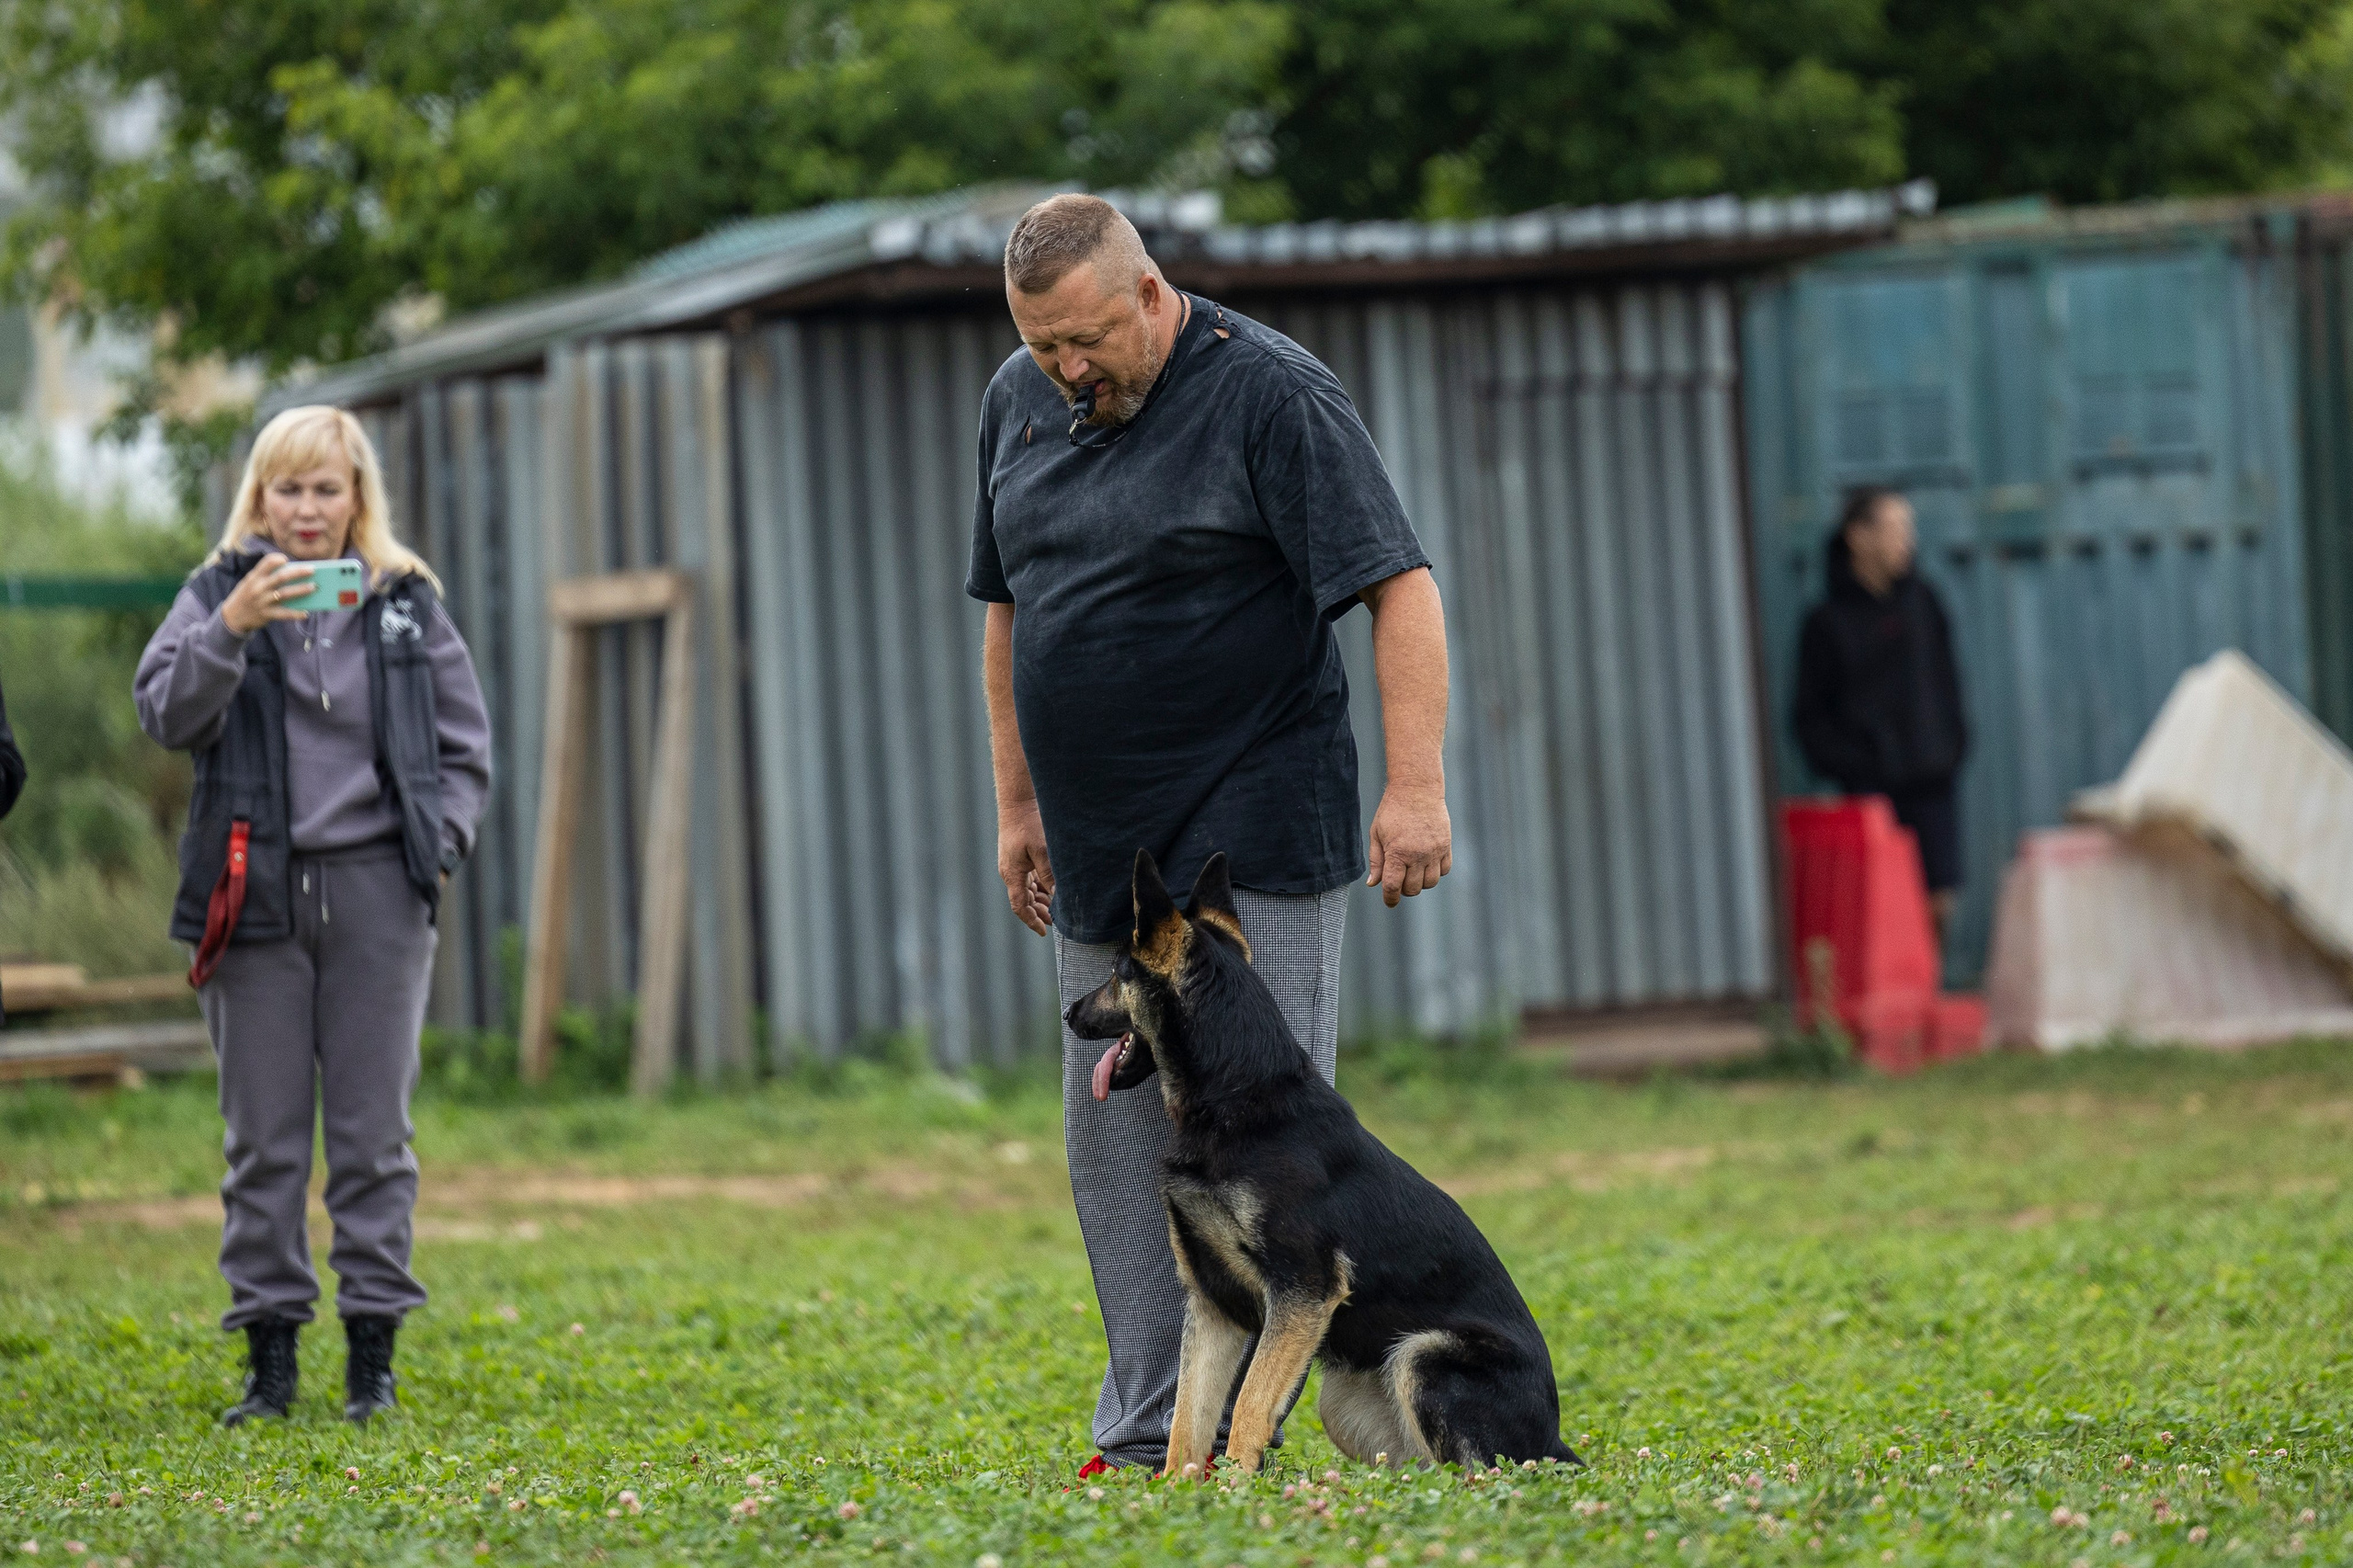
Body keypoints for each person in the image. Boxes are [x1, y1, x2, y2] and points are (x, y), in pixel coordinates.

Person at [968, 194, 1452, 1473]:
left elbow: (1398, 584)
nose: (1066, 372)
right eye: (1039, 343)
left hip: (1255, 825)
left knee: (1265, 1140)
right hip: (1097, 846)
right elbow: (1008, 611)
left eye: (1084, 342)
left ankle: (1252, 1438)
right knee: (1116, 1132)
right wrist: (1018, 803)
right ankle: (1144, 1434)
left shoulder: (1273, 397)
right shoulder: (1014, 400)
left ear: (1148, 293)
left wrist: (1417, 788)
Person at [135, 405, 491, 1426]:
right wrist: (232, 625)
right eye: (287, 489)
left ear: (355, 497)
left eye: (325, 489)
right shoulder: (214, 592)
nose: (305, 509)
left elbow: (466, 745)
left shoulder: (405, 602)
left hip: (380, 896)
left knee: (375, 1136)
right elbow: (164, 712)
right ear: (259, 496)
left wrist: (443, 843)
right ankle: (270, 1361)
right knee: (265, 1140)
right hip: (252, 897)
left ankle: (371, 1360)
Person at [1793, 485, 1969, 936]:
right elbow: (1809, 716)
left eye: (1906, 530)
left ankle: (1926, 991)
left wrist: (1951, 747)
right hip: (1870, 790)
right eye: (1892, 530)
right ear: (1858, 536)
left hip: (1932, 779)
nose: (1904, 542)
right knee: (1881, 907)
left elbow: (1948, 683)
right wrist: (1855, 764)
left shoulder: (1924, 603)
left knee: (1940, 900)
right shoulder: (1826, 623)